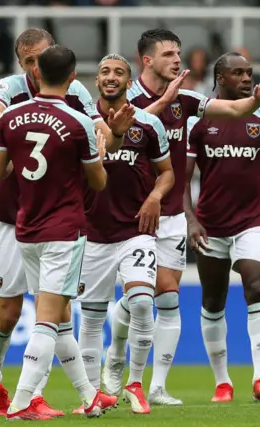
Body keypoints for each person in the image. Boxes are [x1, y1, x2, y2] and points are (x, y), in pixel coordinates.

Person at [103, 28, 260, 406]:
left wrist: (256, 101)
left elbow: (231, 107)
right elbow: (105, 139)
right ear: (146, 60)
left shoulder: (185, 100)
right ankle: (117, 356)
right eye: (168, 54)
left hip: (170, 216)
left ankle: (156, 386)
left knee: (167, 296)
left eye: (179, 53)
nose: (177, 60)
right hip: (132, 214)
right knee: (140, 297)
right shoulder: (127, 98)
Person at [0, 28, 134, 418]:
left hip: (45, 214)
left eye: (41, 57)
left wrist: (111, 134)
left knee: (59, 311)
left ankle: (81, 395)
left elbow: (103, 139)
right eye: (29, 59)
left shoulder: (77, 94)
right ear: (20, 63)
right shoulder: (11, 89)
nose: (35, 65)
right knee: (10, 312)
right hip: (8, 214)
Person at [183, 52, 260, 403]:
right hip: (210, 225)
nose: (247, 78)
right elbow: (181, 180)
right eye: (237, 73)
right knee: (213, 300)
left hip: (252, 221)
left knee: (255, 286)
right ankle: (222, 383)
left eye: (249, 72)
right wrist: (190, 220)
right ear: (219, 77)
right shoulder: (199, 122)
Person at [72, 53, 174, 415]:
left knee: (144, 303)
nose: (111, 77)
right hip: (93, 234)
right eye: (104, 72)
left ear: (129, 82)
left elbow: (167, 173)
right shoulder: (81, 123)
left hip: (136, 231)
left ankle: (134, 383)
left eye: (118, 72)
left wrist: (154, 197)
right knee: (91, 319)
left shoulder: (148, 125)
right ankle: (92, 396)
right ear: (96, 82)